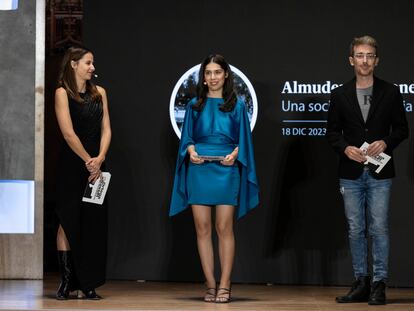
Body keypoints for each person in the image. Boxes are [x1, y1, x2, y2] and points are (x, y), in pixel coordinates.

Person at [169, 54, 259, 303]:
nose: (212, 77)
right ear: (203, 77)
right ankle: (210, 284)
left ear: (226, 74)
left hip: (227, 170)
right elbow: (186, 138)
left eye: (217, 72)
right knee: (202, 229)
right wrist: (191, 151)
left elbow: (244, 142)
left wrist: (235, 154)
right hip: (199, 170)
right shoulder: (194, 105)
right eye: (208, 73)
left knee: (224, 228)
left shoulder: (238, 105)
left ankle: (225, 285)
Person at [327, 35, 408, 305]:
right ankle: (361, 282)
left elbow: (402, 129)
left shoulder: (391, 92)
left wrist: (386, 141)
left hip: (380, 172)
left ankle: (379, 284)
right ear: (351, 60)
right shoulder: (339, 94)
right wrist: (344, 148)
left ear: (377, 60)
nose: (364, 60)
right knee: (355, 229)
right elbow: (332, 133)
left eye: (369, 56)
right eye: (359, 55)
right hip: (350, 171)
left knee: (379, 228)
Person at [54, 46, 111, 300]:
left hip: (97, 167)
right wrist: (88, 160)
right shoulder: (61, 94)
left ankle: (88, 283)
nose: (92, 67)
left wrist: (100, 159)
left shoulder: (100, 93)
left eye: (93, 62)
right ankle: (67, 281)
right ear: (74, 64)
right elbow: (68, 133)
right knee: (68, 220)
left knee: (92, 223)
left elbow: (107, 129)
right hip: (72, 165)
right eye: (88, 62)